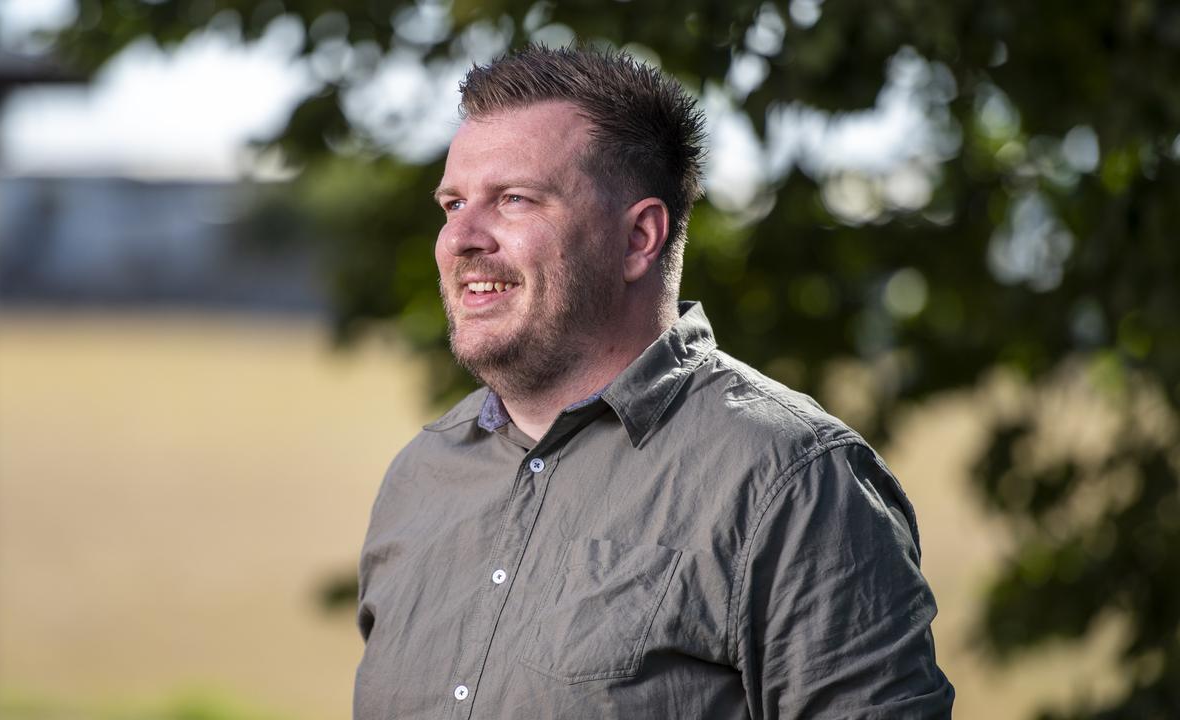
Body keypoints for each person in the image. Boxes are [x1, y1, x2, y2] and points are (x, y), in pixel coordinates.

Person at [354, 44, 954, 719]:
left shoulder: (792, 482)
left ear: (640, 237)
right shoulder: (420, 477)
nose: (461, 238)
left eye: (514, 199)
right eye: (453, 202)